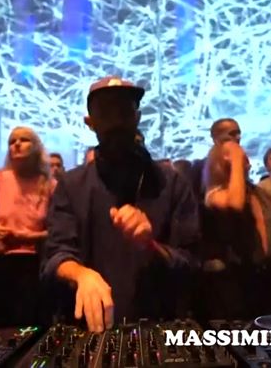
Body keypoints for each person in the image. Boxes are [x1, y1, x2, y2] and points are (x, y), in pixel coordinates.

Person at [41, 76, 199, 332]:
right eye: (105, 113)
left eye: (124, 111)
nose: (116, 121)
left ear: (137, 117)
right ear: (90, 123)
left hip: (159, 326)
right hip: (88, 328)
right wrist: (82, 274)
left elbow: (193, 263)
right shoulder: (71, 185)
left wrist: (151, 246)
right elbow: (55, 256)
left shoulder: (172, 183)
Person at [201, 141, 271, 319]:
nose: (243, 155)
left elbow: (269, 221)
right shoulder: (215, 194)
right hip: (238, 281)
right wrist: (235, 160)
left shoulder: (257, 192)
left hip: (268, 277)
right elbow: (235, 204)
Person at [0, 127, 56, 326]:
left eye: (24, 140)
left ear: (36, 146)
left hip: (35, 264)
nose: (17, 144)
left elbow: (57, 231)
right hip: (2, 261)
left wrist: (31, 236)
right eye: (12, 141)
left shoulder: (50, 185)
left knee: (32, 323)